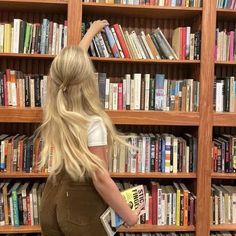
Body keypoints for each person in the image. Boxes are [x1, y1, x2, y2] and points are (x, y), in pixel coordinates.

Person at [39, 20, 143, 236]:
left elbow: (70, 69)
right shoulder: (92, 122)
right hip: (80, 207)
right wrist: (129, 215)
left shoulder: (55, 109)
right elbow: (101, 178)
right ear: (88, 80)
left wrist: (91, 33)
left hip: (52, 199)